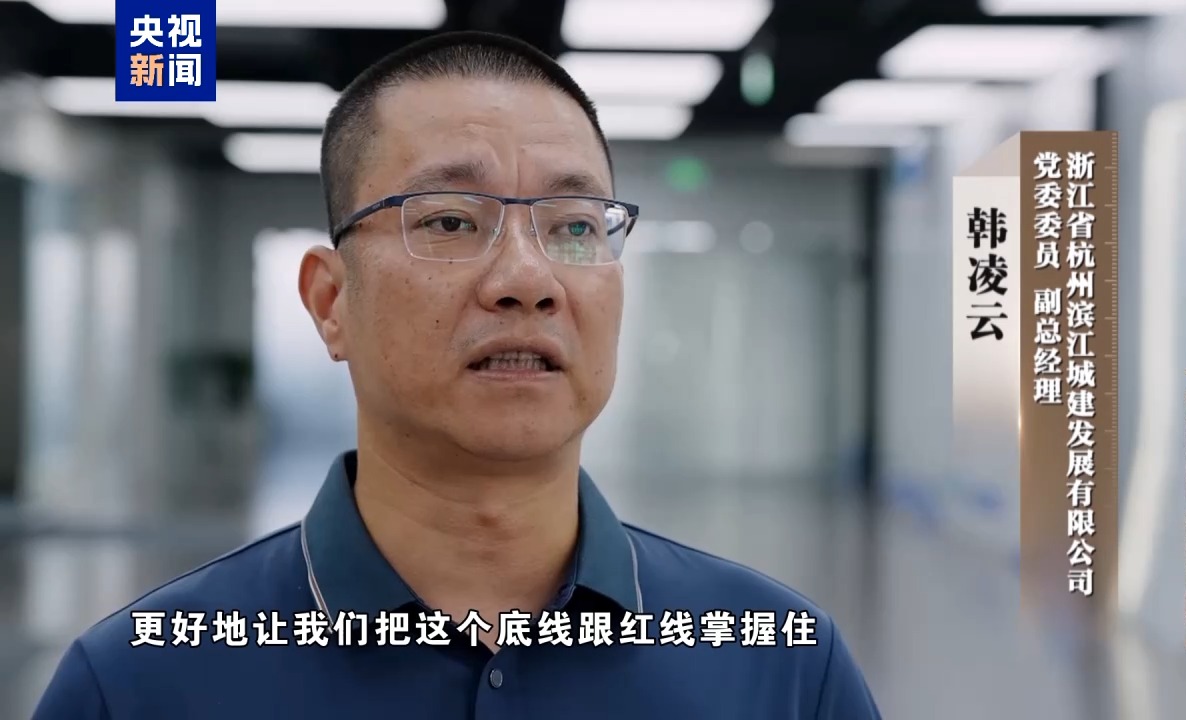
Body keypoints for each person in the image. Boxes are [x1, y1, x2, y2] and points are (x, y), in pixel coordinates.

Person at [33, 31, 881, 719]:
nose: (528, 279)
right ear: (330, 301)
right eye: (448, 220)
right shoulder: (138, 685)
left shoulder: (782, 669)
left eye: (574, 227)